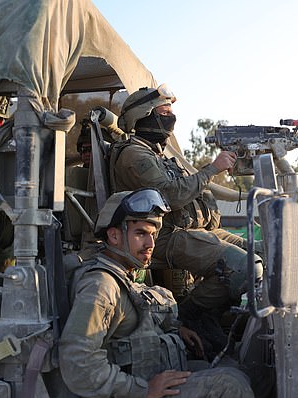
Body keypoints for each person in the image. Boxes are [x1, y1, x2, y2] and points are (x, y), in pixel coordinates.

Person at [59, 188, 259, 398]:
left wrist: (176, 331)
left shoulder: (128, 275)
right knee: (229, 389)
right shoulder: (101, 286)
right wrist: (143, 389)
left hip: (148, 386)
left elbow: (132, 328)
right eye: (141, 233)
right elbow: (78, 366)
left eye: (153, 234)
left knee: (247, 375)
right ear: (114, 236)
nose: (150, 243)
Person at [109, 85, 263, 354]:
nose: (171, 117)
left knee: (265, 252)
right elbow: (170, 196)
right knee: (244, 269)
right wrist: (212, 169)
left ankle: (213, 316)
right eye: (164, 112)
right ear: (143, 116)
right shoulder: (134, 154)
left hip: (194, 230)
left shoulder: (159, 153)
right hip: (163, 235)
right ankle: (190, 313)